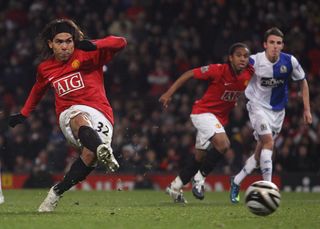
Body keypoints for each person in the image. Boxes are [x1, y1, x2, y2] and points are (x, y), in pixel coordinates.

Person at [8, 19, 127, 212]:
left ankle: (56, 191)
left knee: (90, 157)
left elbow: (121, 42)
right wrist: (23, 113)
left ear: (74, 41)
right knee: (78, 117)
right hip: (69, 113)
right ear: (50, 44)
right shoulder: (45, 68)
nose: (65, 47)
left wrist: (96, 43)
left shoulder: (88, 54)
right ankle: (103, 150)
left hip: (101, 113)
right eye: (59, 42)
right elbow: (37, 90)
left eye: (69, 41)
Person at [191, 27, 313, 203]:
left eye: (278, 43)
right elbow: (232, 71)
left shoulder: (290, 61)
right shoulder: (254, 61)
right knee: (269, 143)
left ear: (282, 45)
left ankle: (237, 180)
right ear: (265, 44)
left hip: (278, 112)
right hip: (257, 107)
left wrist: (307, 109)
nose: (275, 46)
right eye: (271, 42)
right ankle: (268, 192)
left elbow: (303, 82)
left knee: (259, 154)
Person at [159, 42, 254, 203]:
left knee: (199, 157)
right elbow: (189, 74)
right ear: (230, 58)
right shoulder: (218, 70)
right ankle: (199, 178)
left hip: (218, 119)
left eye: (245, 56)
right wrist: (169, 93)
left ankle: (175, 187)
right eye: (238, 55)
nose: (242, 59)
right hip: (203, 113)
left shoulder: (249, 72)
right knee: (223, 145)